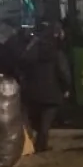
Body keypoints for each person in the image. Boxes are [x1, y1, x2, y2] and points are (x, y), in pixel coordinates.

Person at [19, 22, 71, 152]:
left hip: (32, 92)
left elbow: (22, 66)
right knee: (46, 121)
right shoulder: (56, 53)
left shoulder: (31, 51)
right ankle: (41, 145)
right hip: (52, 92)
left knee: (36, 118)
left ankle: (35, 142)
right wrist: (66, 88)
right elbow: (63, 72)